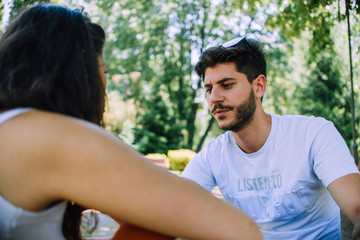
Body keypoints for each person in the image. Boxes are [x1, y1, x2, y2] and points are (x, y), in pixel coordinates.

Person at [0, 4, 263, 240]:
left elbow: (147, 214)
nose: (105, 82)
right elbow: (240, 229)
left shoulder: (14, 129)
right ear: (78, 74)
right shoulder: (55, 138)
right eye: (104, 70)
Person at [182, 37, 360, 240]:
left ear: (259, 86)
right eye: (209, 89)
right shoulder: (213, 156)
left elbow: (357, 207)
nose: (214, 98)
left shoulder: (314, 134)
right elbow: (174, 208)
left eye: (227, 85)